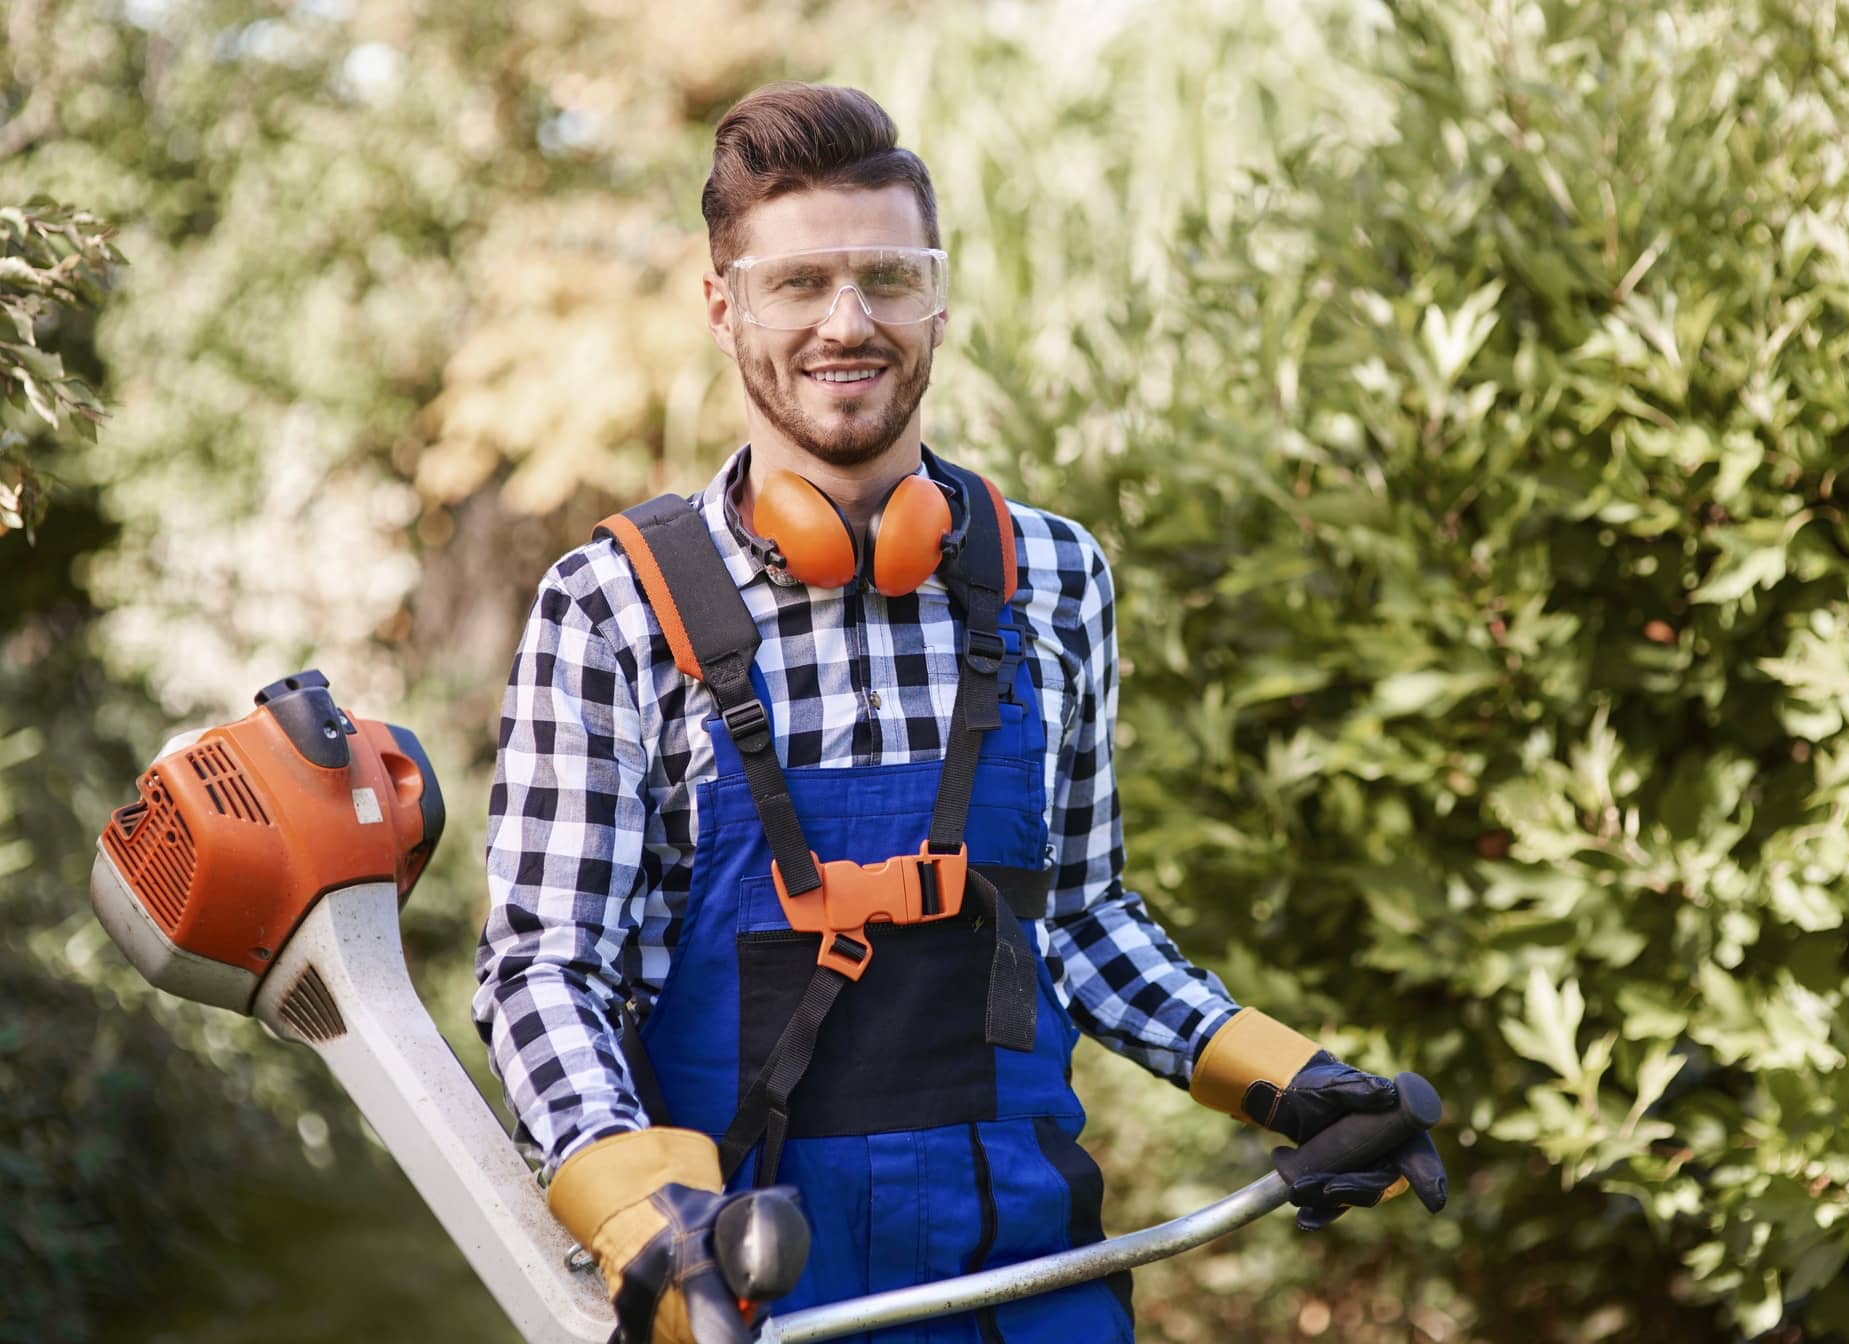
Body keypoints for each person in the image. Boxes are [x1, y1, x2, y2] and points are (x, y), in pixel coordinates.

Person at [474, 82, 1446, 1344]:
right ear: (721, 307)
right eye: (797, 283)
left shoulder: (1053, 574)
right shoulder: (608, 605)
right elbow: (547, 968)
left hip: (1026, 1286)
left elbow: (1080, 920)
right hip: (745, 1299)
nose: (847, 322)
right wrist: (641, 1224)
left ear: (935, 297)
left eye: (887, 276)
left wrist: (1292, 1080)